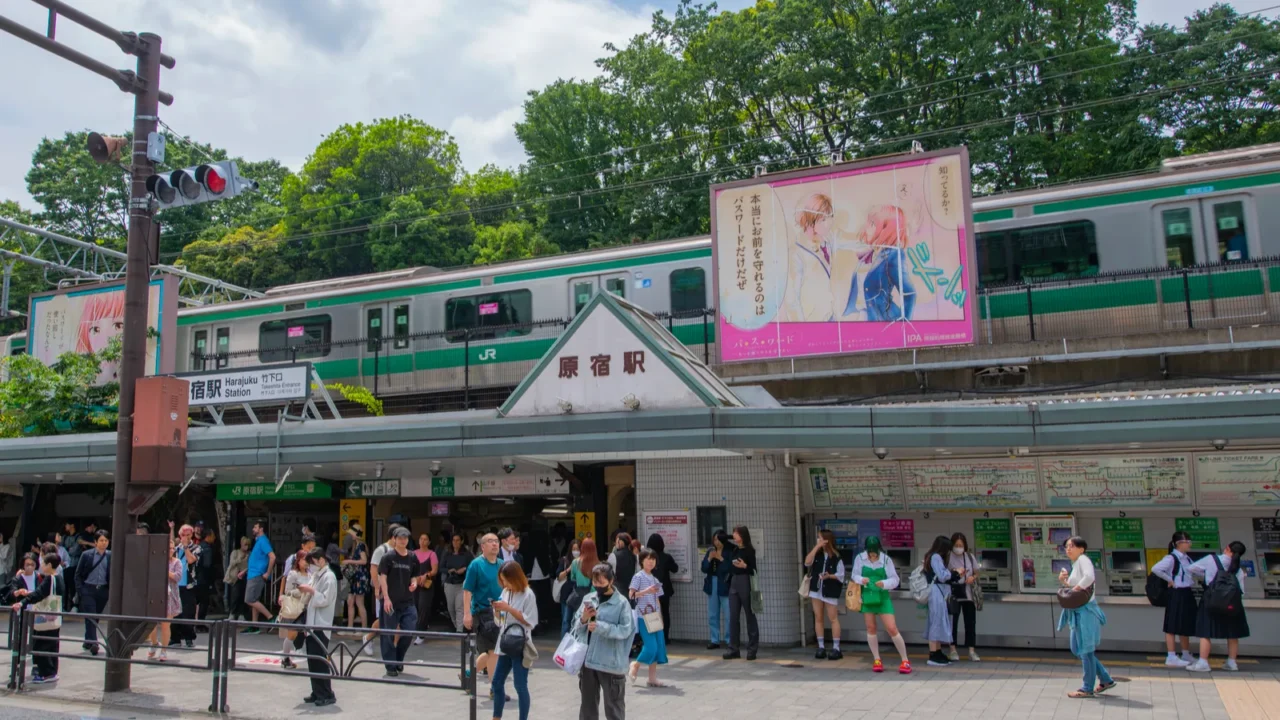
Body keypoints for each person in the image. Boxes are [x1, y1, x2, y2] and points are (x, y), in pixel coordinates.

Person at [573, 564, 635, 720]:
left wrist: (600, 627)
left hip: (611, 663)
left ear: (611, 580)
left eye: (601, 582)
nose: (597, 586)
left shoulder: (621, 603)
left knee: (614, 709)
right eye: (594, 582)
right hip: (588, 661)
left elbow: (626, 630)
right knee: (587, 709)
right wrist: (583, 619)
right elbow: (575, 626)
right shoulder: (589, 599)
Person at [1058, 536, 1115, 698]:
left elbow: (1089, 578)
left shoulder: (1083, 560)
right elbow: (1078, 588)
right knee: (1078, 648)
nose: (1068, 549)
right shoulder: (1076, 564)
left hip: (1086, 612)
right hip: (1078, 612)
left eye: (1072, 546)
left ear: (1081, 549)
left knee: (1085, 650)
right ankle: (1105, 679)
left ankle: (1087, 688)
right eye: (1066, 546)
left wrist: (1073, 588)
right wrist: (1065, 581)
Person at [1186, 540, 1250, 673]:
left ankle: (1203, 662)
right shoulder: (1238, 568)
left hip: (1211, 600)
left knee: (1206, 631)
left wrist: (1205, 575)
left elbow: (1191, 568)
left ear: (1227, 548)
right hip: (1233, 603)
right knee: (1232, 633)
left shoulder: (1211, 559)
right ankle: (1232, 663)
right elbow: (1241, 590)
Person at [852, 536, 911, 674]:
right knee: (870, 627)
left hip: (883, 597)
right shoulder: (860, 558)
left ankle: (905, 660)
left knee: (891, 628)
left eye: (875, 552)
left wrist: (884, 584)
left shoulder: (886, 559)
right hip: (868, 596)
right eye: (870, 552)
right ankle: (876, 659)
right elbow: (854, 575)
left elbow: (895, 579)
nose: (872, 555)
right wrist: (862, 580)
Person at [492, 561, 537, 720]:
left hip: (520, 644)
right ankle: (496, 717)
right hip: (504, 642)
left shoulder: (528, 594)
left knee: (520, 685)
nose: (505, 584)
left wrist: (509, 608)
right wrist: (497, 611)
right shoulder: (505, 592)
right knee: (496, 683)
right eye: (503, 581)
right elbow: (500, 622)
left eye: (507, 580)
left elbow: (531, 621)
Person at [9, 552, 64, 683]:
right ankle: (52, 672)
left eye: (43, 563)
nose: (41, 566)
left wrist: (21, 602)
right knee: (52, 644)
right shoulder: (59, 578)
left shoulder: (49, 578)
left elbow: (39, 594)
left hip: (44, 617)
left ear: (49, 565)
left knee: (41, 643)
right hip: (54, 617)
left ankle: (46, 673)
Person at [378, 526, 425, 676]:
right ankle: (391, 666)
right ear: (394, 539)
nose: (402, 541)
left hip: (407, 601)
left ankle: (398, 659)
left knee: (409, 630)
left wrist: (415, 583)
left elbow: (414, 575)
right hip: (390, 601)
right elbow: (382, 577)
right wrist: (385, 598)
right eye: (400, 538)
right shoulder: (388, 557)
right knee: (388, 634)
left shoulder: (412, 557)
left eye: (405, 538)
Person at [463, 533, 503, 691]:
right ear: (483, 546)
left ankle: (468, 674)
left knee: (490, 652)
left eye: (496, 541)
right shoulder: (476, 565)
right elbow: (467, 591)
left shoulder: (501, 564)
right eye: (490, 541)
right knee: (494, 651)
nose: (494, 544)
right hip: (483, 612)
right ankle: (495, 689)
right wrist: (467, 614)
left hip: (500, 612)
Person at [1151, 531, 1197, 667]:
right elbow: (1156, 569)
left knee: (1185, 624)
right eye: (1187, 541)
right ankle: (1171, 655)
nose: (1189, 544)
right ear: (1178, 544)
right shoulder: (1171, 558)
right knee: (1172, 624)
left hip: (1187, 592)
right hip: (1176, 593)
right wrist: (1170, 580)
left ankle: (1186, 653)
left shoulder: (1187, 558)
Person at [300, 548, 337, 707]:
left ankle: (326, 693)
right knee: (313, 660)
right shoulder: (317, 575)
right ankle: (317, 691)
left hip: (321, 624)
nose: (312, 566)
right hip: (312, 623)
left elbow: (325, 599)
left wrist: (311, 591)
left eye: (313, 562)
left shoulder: (329, 577)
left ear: (321, 560)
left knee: (321, 660)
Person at [628, 548, 670, 688]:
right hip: (643, 616)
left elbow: (657, 600)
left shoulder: (655, 579)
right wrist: (647, 591)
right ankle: (635, 665)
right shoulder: (638, 577)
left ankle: (652, 678)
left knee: (657, 647)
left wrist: (660, 617)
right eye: (648, 559)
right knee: (651, 647)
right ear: (641, 561)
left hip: (654, 617)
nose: (651, 562)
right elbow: (631, 595)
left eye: (653, 559)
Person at [804, 529, 845, 660]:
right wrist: (816, 547)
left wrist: (830, 576)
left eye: (820, 538)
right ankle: (821, 646)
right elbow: (807, 562)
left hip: (830, 589)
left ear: (827, 540)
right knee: (818, 617)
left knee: (833, 618)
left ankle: (836, 647)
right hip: (816, 589)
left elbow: (841, 575)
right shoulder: (817, 553)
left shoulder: (837, 556)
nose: (818, 540)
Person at [723, 526, 759, 661]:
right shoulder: (735, 549)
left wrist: (745, 566)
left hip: (745, 581)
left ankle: (752, 649)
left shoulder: (749, 550)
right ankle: (733, 648)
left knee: (750, 615)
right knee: (733, 616)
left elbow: (753, 570)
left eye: (736, 533)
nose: (734, 535)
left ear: (742, 535)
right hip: (734, 581)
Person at [923, 535, 959, 666]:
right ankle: (933, 654)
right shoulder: (936, 557)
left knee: (936, 621)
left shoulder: (930, 556)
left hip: (937, 592)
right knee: (936, 622)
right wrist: (955, 573)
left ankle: (937, 651)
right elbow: (943, 576)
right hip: (937, 593)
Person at [146, 537, 183, 662]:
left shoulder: (177, 562)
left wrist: (164, 570)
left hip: (170, 596)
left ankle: (164, 650)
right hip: (156, 594)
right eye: (168, 548)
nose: (171, 550)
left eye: (173, 548)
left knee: (166, 625)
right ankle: (154, 643)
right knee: (152, 623)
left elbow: (177, 577)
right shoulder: (155, 560)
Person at [75, 529, 110, 656]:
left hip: (103, 590)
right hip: (88, 589)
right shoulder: (87, 555)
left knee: (95, 616)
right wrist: (81, 590)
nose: (104, 543)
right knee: (91, 615)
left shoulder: (110, 555)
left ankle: (88, 640)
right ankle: (95, 643)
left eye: (106, 540)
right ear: (95, 542)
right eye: (101, 540)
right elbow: (78, 574)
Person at [946, 532, 980, 663]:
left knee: (970, 623)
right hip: (953, 595)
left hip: (968, 595)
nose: (958, 547)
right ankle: (953, 649)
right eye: (956, 545)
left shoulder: (970, 557)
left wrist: (973, 577)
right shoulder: (948, 558)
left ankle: (971, 651)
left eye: (961, 545)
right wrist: (955, 574)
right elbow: (944, 574)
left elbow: (977, 572)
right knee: (952, 623)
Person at [700, 530, 733, 650]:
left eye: (718, 539)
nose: (716, 542)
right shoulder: (710, 550)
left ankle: (730, 640)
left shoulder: (730, 550)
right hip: (712, 582)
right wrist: (709, 558)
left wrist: (721, 558)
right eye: (714, 539)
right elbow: (703, 568)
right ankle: (715, 639)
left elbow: (731, 568)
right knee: (713, 614)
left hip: (724, 582)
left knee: (729, 614)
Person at [242, 520, 276, 635]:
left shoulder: (263, 541)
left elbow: (272, 557)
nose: (253, 529)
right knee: (254, 600)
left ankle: (271, 617)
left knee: (249, 599)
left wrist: (267, 573)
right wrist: (245, 571)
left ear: (261, 529)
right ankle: (254, 625)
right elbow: (256, 560)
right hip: (253, 573)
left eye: (255, 527)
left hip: (257, 575)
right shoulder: (259, 541)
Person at [278, 550, 311, 670]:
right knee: (292, 634)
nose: (307, 563)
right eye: (304, 560)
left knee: (310, 633)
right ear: (298, 560)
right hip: (296, 607)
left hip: (308, 607)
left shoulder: (310, 574)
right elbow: (288, 592)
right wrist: (302, 590)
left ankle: (316, 658)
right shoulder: (293, 574)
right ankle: (285, 658)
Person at [644, 534, 678, 643]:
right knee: (665, 613)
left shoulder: (646, 558)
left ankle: (653, 637)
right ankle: (665, 637)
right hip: (664, 590)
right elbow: (675, 569)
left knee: (652, 613)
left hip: (650, 590)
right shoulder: (666, 557)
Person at [171, 523, 200, 647]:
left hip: (188, 586)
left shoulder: (196, 548)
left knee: (188, 612)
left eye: (188, 535)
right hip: (175, 585)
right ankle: (175, 638)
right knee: (175, 612)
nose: (185, 537)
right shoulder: (176, 549)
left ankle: (189, 638)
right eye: (183, 535)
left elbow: (191, 560)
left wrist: (186, 546)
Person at [341, 523, 370, 638]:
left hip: (360, 577)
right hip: (356, 577)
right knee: (351, 602)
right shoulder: (356, 545)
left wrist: (349, 562)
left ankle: (363, 628)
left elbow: (364, 561)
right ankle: (350, 627)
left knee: (359, 602)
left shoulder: (361, 546)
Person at [441, 532, 472, 633]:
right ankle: (457, 626)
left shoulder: (467, 554)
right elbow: (441, 568)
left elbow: (473, 567)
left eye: (458, 540)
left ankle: (459, 631)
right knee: (451, 608)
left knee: (459, 608)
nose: (455, 542)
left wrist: (464, 569)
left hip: (461, 584)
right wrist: (449, 571)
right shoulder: (447, 553)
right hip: (449, 583)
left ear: (462, 541)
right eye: (453, 540)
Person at [413, 533, 439, 644]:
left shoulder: (432, 554)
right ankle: (415, 631)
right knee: (414, 608)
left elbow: (434, 570)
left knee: (423, 608)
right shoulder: (413, 554)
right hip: (414, 584)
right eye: (421, 539)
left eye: (425, 539)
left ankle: (421, 634)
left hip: (426, 585)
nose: (423, 541)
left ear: (429, 542)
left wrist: (425, 575)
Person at [556, 539, 584, 636]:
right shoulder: (565, 560)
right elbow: (558, 576)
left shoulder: (584, 561)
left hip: (579, 592)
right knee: (566, 620)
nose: (576, 551)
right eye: (574, 549)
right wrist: (569, 569)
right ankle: (564, 643)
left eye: (578, 549)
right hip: (567, 592)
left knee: (576, 620)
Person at [195, 528, 217, 631]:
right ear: (208, 536)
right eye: (213, 536)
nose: (214, 538)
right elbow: (207, 565)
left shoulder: (198, 546)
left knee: (196, 602)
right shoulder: (207, 549)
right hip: (204, 579)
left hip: (196, 578)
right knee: (204, 602)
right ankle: (200, 623)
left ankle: (194, 622)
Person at [224, 537, 251, 621]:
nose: (246, 547)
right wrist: (241, 558)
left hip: (246, 576)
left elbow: (250, 565)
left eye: (248, 545)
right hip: (235, 576)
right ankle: (232, 613)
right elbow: (232, 563)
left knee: (244, 596)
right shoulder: (235, 552)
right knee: (235, 595)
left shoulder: (250, 554)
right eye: (245, 544)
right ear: (241, 544)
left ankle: (242, 614)